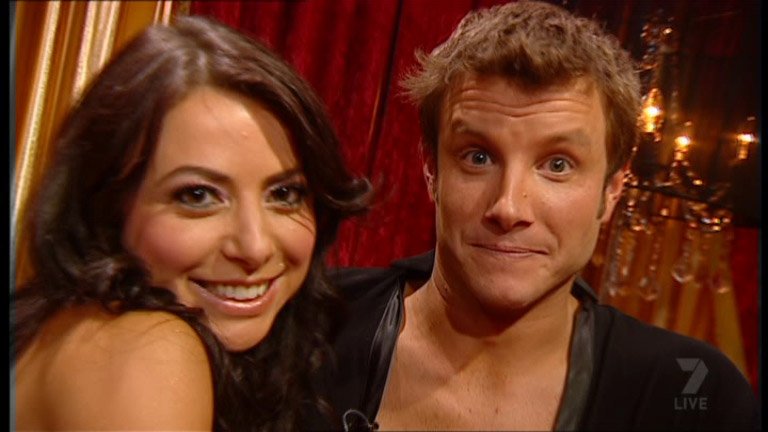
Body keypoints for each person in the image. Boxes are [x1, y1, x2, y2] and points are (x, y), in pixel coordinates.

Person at [305, 1, 759, 431]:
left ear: (612, 190)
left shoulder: (694, 394)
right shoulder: (307, 325)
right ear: (431, 172)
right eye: (478, 157)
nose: (509, 208)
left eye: (557, 165)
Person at [11, 15, 370, 431]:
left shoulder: (65, 329)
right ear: (106, 204)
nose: (254, 247)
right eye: (198, 196)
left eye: (285, 194)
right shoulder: (148, 351)